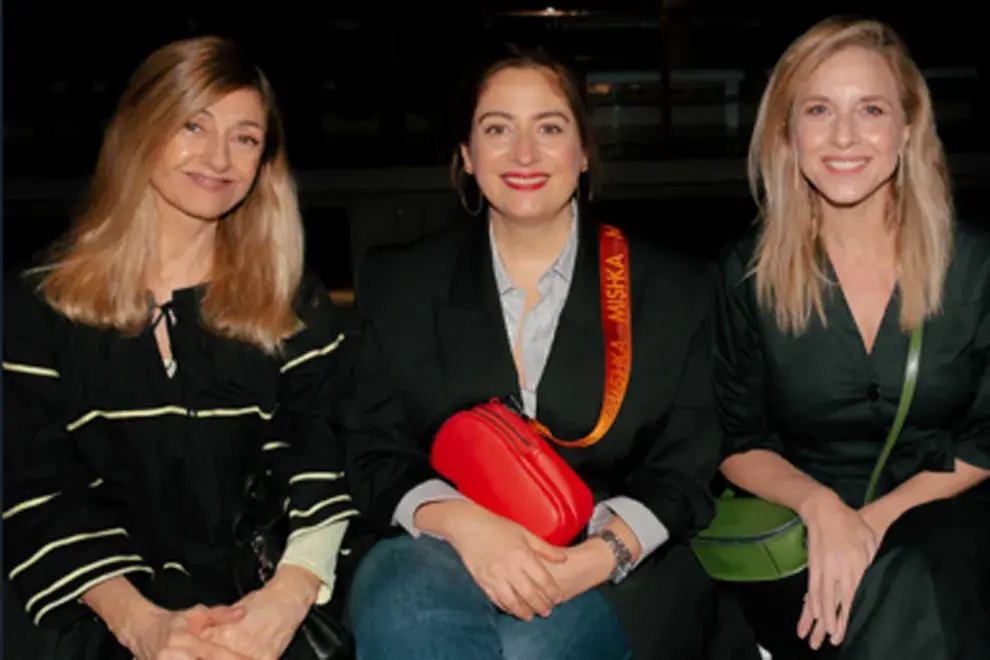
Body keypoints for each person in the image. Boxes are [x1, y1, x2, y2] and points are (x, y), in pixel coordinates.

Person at [343, 48, 756, 660]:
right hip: (436, 550)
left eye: (550, 128)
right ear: (466, 155)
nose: (525, 154)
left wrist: (595, 559)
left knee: (529, 649)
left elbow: (686, 464)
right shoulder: (403, 281)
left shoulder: (672, 287)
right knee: (410, 610)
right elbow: (372, 449)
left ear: (584, 152)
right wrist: (468, 526)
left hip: (620, 570)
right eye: (497, 129)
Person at [2, 36, 358, 660]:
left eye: (245, 137)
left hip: (263, 602)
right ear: (139, 132)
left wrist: (288, 596)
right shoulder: (41, 304)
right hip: (96, 606)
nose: (219, 157)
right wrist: (142, 624)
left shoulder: (290, 299)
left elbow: (324, 451)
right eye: (193, 125)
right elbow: (36, 491)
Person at [713, 17, 990, 660]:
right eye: (818, 109)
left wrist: (873, 521)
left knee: (916, 576)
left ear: (908, 127)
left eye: (870, 108)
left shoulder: (974, 266)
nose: (844, 136)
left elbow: (985, 435)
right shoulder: (746, 273)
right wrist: (823, 510)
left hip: (949, 516)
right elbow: (735, 437)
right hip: (798, 533)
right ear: (787, 133)